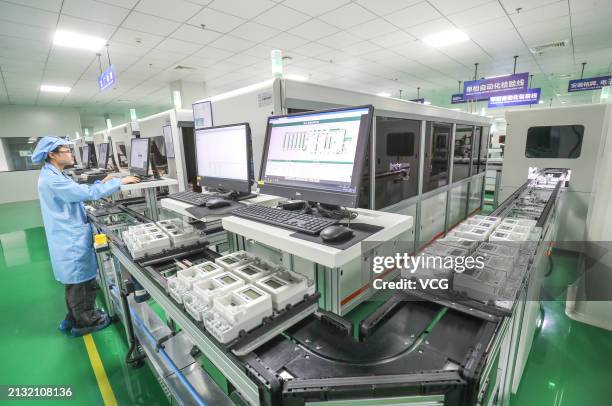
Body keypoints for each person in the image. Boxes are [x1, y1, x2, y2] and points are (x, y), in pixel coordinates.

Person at [32, 136, 140, 337]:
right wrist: (118, 182)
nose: (71, 153)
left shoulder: (53, 174)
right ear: (52, 155)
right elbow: (86, 194)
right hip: (69, 238)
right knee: (81, 282)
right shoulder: (53, 179)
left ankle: (72, 317)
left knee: (74, 283)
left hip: (67, 234)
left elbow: (78, 190)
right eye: (66, 151)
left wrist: (103, 181)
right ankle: (85, 322)